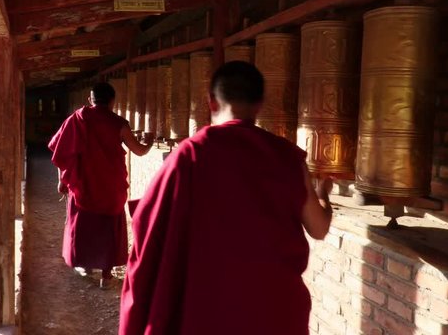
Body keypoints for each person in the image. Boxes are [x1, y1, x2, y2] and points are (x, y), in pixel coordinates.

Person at [119, 61, 333, 334]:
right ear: (260, 104)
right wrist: (323, 195)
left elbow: (148, 228)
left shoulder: (189, 155)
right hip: (274, 311)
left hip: (206, 309)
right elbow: (319, 227)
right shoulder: (288, 157)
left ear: (211, 101)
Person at [48, 82, 152, 289]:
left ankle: (85, 266)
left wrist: (62, 180)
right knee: (108, 228)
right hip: (110, 186)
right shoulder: (118, 123)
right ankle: (107, 275)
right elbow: (139, 150)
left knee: (84, 226)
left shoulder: (75, 120)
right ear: (113, 101)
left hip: (83, 183)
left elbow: (62, 152)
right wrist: (148, 142)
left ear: (90, 100)